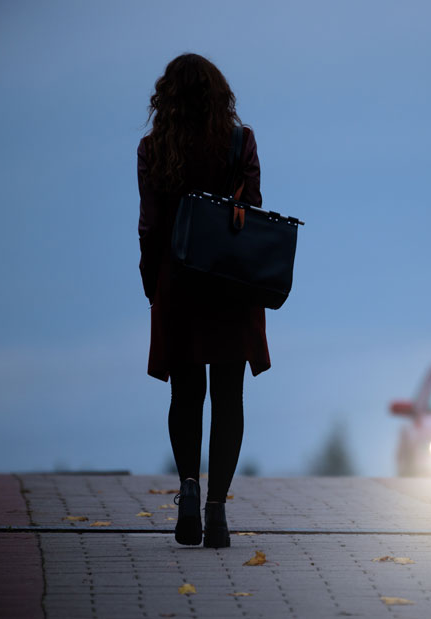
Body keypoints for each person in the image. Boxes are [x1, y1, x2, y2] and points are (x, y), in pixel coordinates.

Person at [137, 53, 270, 547]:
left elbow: (150, 225)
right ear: (220, 95)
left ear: (166, 98)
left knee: (185, 393)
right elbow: (251, 208)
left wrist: (154, 283)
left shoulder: (153, 148)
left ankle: (188, 493)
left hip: (180, 283)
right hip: (231, 283)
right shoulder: (240, 142)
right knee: (228, 397)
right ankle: (217, 512)